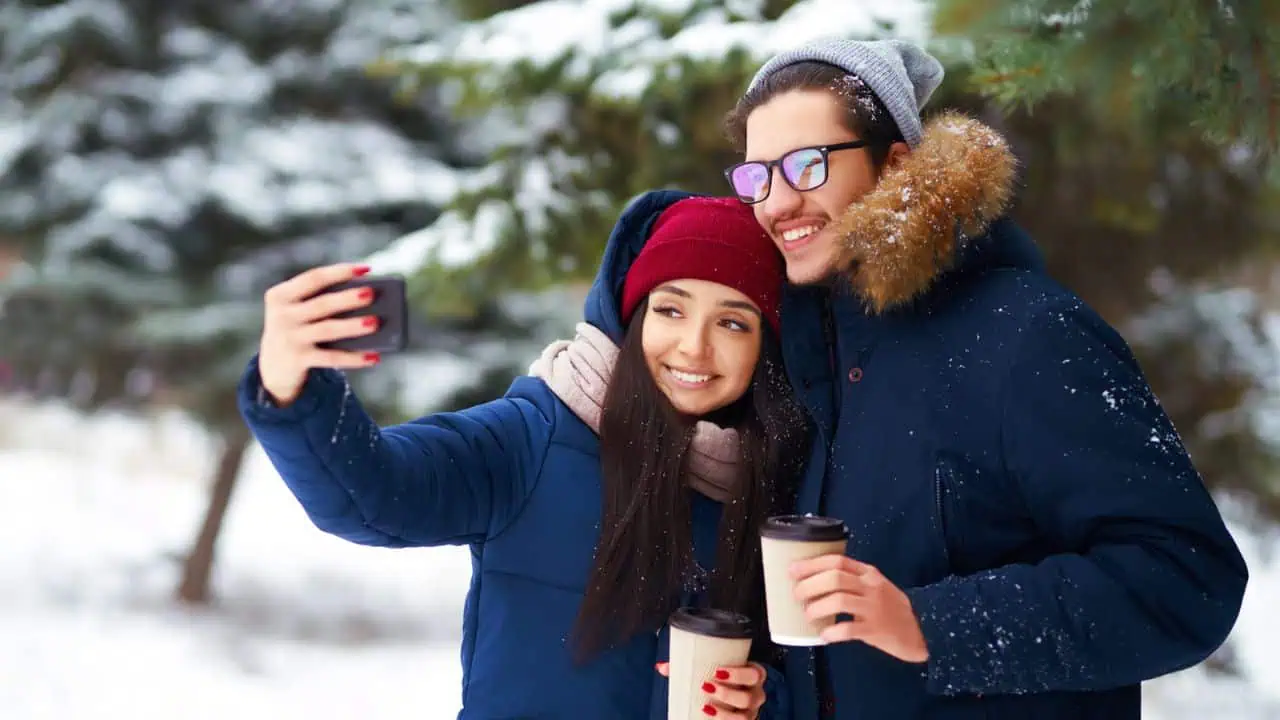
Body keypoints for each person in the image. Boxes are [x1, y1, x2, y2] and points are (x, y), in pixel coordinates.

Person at [719, 37, 1250, 719]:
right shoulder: (802, 356)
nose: (776, 202)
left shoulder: (1028, 334)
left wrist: (934, 625)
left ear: (897, 162)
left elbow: (1185, 581)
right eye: (756, 176)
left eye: (806, 165)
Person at [236, 193, 808, 719]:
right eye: (670, 310)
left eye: (732, 322)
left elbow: (819, 681)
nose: (693, 346)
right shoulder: (534, 436)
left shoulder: (789, 485)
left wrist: (762, 700)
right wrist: (289, 384)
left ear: (768, 345)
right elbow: (374, 495)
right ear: (632, 317)